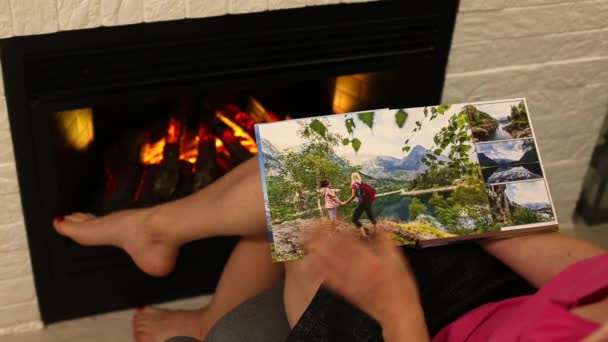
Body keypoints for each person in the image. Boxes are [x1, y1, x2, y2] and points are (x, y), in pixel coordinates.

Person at [53, 158, 608, 342]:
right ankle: (173, 260)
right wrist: (471, 207)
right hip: (491, 301)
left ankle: (155, 233)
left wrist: (397, 311)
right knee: (316, 164)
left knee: (300, 205)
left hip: (416, 331)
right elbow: (589, 276)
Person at [341, 172, 376, 237]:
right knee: (370, 216)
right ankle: (378, 232)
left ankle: (364, 237)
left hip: (363, 203)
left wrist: (345, 202)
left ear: (352, 178)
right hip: (368, 201)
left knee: (354, 219)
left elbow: (353, 196)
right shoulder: (361, 183)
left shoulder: (354, 185)